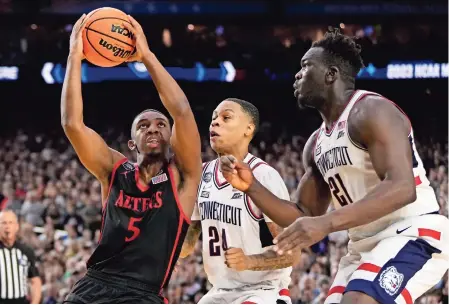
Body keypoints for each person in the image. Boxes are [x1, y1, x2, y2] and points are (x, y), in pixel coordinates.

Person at [219, 29, 449, 304]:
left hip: (412, 231)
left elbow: (401, 187)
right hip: (362, 246)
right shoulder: (316, 144)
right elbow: (303, 215)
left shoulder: (371, 111)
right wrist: (252, 187)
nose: (297, 74)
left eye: (305, 67)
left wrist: (326, 224)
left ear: (331, 75)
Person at [62, 14, 202, 303]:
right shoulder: (113, 170)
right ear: (131, 143)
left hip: (142, 295)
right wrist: (75, 56)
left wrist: (146, 55)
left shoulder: (184, 174)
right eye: (143, 125)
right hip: (93, 287)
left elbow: (182, 111)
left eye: (160, 124)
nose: (152, 127)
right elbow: (72, 124)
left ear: (172, 137)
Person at [180, 98, 297, 304]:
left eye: (226, 118)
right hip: (221, 290)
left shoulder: (264, 176)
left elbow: (292, 255)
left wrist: (249, 261)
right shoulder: (202, 174)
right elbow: (187, 244)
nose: (215, 123)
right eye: (214, 118)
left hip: (263, 290)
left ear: (248, 129)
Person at [0, 210, 42, 304]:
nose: (7, 226)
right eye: (4, 223)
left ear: (16, 226)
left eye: (11, 223)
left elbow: (35, 280)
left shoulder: (26, 251)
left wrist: (34, 303)